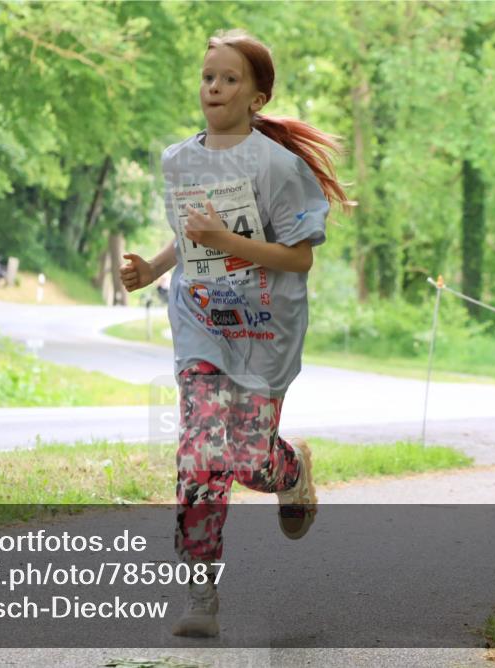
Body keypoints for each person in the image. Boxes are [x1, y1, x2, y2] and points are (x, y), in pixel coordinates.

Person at [121, 28, 357, 639]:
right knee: (200, 452)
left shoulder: (281, 168)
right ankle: (201, 590)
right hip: (202, 323)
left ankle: (290, 471)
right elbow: (190, 230)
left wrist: (229, 244)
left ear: (256, 97)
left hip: (265, 331)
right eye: (208, 77)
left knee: (247, 457)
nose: (214, 88)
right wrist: (154, 267)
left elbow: (299, 258)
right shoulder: (179, 159)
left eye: (229, 79)